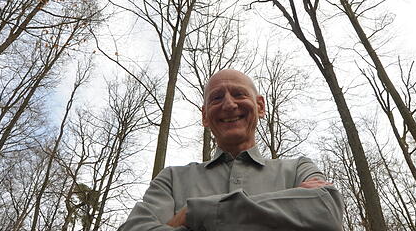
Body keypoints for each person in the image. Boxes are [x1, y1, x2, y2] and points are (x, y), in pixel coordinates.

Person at [120, 69, 343, 231]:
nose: (228, 104)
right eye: (217, 98)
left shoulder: (297, 168)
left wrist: (193, 214)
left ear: (260, 107)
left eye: (239, 94)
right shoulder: (171, 179)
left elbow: (327, 210)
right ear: (205, 116)